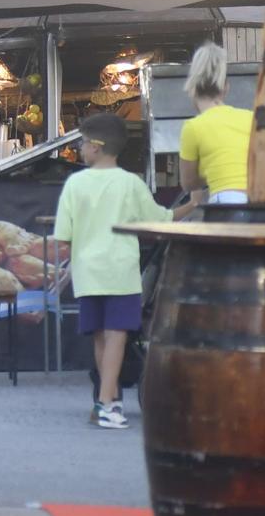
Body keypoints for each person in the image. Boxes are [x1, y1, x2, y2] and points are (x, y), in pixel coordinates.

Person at [51, 113, 174, 430]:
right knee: (118, 335)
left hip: (88, 273)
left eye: (81, 142)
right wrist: (191, 205)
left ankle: (106, 401)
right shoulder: (131, 183)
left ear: (95, 147)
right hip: (121, 271)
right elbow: (160, 219)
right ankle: (108, 403)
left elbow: (63, 236)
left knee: (100, 338)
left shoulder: (75, 184)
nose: (79, 148)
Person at [176, 43, 250, 207]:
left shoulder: (193, 127)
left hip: (225, 204)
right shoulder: (250, 118)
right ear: (226, 88)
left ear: (192, 89)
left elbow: (188, 183)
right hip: (257, 204)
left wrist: (207, 170)